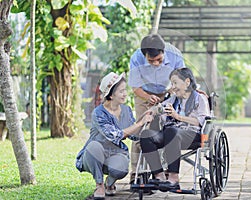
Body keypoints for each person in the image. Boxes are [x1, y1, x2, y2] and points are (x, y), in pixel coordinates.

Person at [75, 72, 153, 199]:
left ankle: (109, 184)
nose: (125, 94)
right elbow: (116, 136)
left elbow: (133, 135)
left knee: (121, 168)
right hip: (94, 155)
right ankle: (99, 185)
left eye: (125, 90)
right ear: (111, 95)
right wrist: (140, 123)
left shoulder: (126, 110)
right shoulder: (99, 113)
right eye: (121, 91)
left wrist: (146, 120)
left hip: (115, 153)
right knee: (94, 146)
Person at [140, 68, 210, 191]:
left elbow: (201, 122)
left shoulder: (200, 99)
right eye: (171, 84)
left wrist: (178, 117)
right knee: (146, 135)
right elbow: (160, 108)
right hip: (171, 134)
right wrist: (152, 111)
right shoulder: (174, 99)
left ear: (187, 82)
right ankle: (159, 176)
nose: (172, 87)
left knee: (171, 130)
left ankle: (173, 178)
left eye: (175, 83)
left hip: (193, 134)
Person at [128, 33, 185, 182]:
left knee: (166, 129)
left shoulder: (175, 55)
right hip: (144, 93)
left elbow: (183, 80)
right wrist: (148, 98)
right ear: (144, 55)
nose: (155, 64)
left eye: (159, 60)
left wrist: (171, 94)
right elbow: (135, 87)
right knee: (141, 130)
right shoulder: (136, 58)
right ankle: (137, 172)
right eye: (151, 61)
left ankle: (163, 170)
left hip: (168, 92)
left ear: (164, 51)